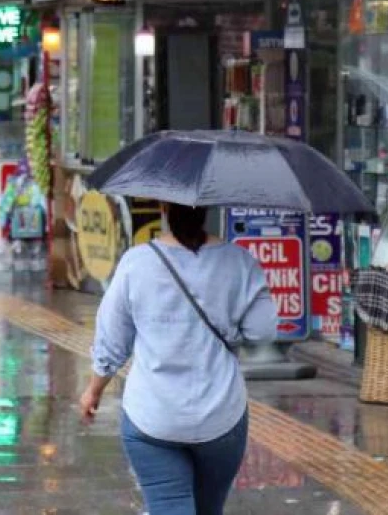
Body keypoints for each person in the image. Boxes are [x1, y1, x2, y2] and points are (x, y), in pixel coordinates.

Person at [80, 204, 277, 515]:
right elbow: (262, 330)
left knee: (168, 507)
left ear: (163, 209)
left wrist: (94, 390)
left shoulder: (137, 262)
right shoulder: (240, 262)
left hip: (152, 417)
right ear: (208, 209)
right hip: (221, 417)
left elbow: (111, 340)